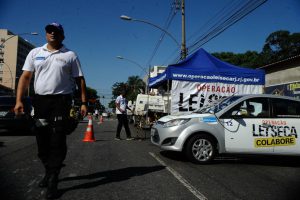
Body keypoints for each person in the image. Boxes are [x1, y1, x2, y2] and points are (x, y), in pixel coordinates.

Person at [14, 22, 87, 199]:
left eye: (56, 31)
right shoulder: (35, 53)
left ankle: (54, 177)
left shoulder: (70, 55)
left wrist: (84, 102)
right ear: (46, 34)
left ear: (62, 35)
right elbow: (25, 77)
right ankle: (49, 169)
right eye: (49, 31)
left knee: (58, 138)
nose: (52, 34)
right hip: (40, 102)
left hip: (61, 102)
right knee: (42, 140)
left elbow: (80, 79)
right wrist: (19, 100)